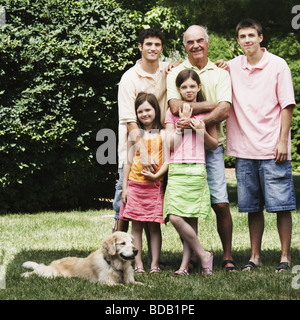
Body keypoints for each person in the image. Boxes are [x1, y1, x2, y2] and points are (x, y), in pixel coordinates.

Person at [226, 19, 296, 272]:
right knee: (252, 207)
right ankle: (255, 256)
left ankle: (285, 256)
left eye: (251, 36)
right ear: (238, 40)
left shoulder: (278, 65)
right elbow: (203, 71)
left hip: (273, 148)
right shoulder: (232, 67)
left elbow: (287, 105)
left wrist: (282, 142)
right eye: (242, 36)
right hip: (244, 150)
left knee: (282, 205)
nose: (247, 40)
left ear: (261, 38)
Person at [167, 25, 237, 271]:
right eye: (189, 42)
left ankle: (226, 256)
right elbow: (175, 107)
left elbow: (224, 110)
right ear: (184, 45)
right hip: (184, 151)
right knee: (184, 208)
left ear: (207, 43)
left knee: (220, 202)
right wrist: (209, 105)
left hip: (208, 144)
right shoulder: (175, 70)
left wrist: (197, 123)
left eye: (199, 41)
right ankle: (194, 256)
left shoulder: (220, 72)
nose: (195, 45)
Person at [112, 28, 170, 233]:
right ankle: (113, 256)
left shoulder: (167, 70)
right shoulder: (129, 78)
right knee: (124, 206)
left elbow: (187, 68)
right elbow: (130, 123)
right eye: (148, 44)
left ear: (162, 48)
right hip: (132, 153)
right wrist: (144, 155)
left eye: (157, 44)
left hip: (159, 151)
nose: (153, 48)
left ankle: (151, 260)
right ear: (140, 47)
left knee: (152, 207)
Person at [164, 69, 218, 275]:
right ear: (178, 89)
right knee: (175, 216)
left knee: (191, 219)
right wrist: (181, 126)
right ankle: (204, 255)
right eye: (184, 87)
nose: (188, 90)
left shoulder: (206, 114)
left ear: (198, 88)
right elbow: (169, 144)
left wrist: (200, 131)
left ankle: (184, 266)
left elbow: (213, 145)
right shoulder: (171, 112)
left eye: (191, 86)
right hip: (177, 169)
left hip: (197, 169)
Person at [120, 92, 169, 273]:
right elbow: (129, 162)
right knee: (136, 227)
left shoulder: (163, 134)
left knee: (154, 227)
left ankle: (154, 264)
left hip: (154, 188)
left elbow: (166, 162)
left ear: (155, 110)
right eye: (140, 111)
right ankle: (138, 264)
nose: (144, 114)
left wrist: (157, 177)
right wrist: (125, 188)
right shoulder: (134, 135)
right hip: (135, 185)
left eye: (148, 109)